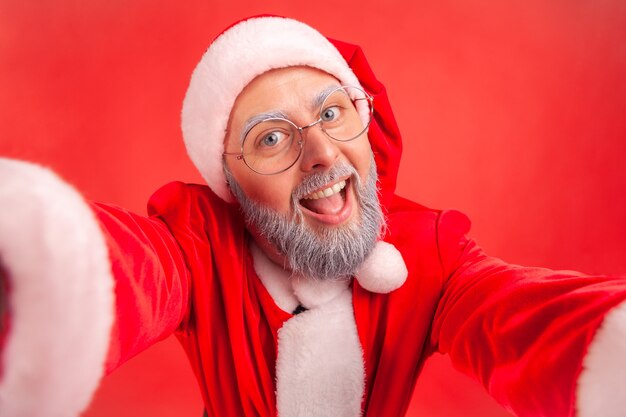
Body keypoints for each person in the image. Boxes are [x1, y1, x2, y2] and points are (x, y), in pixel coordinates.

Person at [0, 15, 625, 417]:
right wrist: (35, 267)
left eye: (332, 114)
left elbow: (519, 319)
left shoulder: (430, 254)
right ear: (231, 183)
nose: (323, 153)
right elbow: (130, 268)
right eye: (272, 139)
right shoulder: (200, 247)